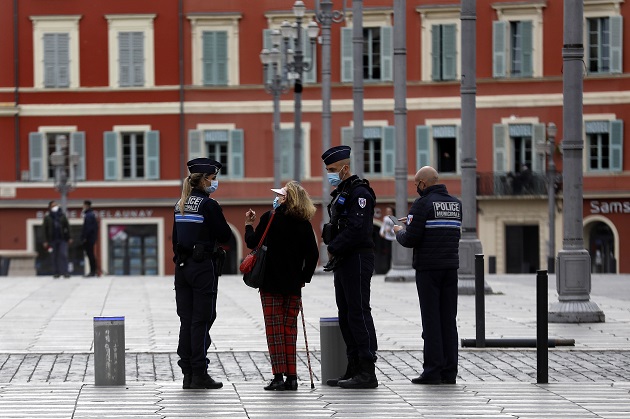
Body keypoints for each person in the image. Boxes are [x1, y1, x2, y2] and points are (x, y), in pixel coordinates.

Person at [244, 181, 319, 391]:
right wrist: (304, 278)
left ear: (287, 199)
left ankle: (278, 377)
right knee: (290, 330)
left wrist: (248, 224)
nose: (277, 199)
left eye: (280, 196)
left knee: (274, 330)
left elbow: (252, 243)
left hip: (270, 284)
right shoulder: (304, 223)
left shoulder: (271, 217)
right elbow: (313, 254)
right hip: (293, 285)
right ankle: (292, 377)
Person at [393, 166, 462, 385]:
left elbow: (410, 239)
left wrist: (398, 231)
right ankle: (449, 372)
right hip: (450, 268)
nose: (416, 188)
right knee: (448, 321)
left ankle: (432, 371)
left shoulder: (422, 204)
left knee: (431, 321)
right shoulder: (456, 204)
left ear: (424, 183)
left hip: (428, 270)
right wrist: (413, 221)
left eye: (417, 184)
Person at [321, 145, 379, 389]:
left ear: (345, 168)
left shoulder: (360, 192)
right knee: (345, 314)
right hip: (344, 259)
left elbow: (358, 229)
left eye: (333, 169)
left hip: (356, 256)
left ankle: (367, 369)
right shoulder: (342, 192)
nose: (330, 174)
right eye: (327, 170)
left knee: (358, 312)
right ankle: (353, 366)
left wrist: (334, 246)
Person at [172, 157, 231, 390]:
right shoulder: (208, 205)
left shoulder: (180, 203)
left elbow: (175, 239)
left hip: (182, 268)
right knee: (202, 319)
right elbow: (225, 235)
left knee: (186, 320)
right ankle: (199, 372)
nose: (215, 183)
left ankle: (187, 372)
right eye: (213, 178)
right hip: (202, 267)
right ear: (205, 179)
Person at [42, 200, 71, 278]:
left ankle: (65, 272)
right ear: (50, 207)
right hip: (52, 240)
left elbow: (67, 227)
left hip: (62, 239)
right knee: (54, 256)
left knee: (63, 255)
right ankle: (56, 272)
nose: (54, 207)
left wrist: (69, 237)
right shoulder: (47, 217)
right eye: (53, 206)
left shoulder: (62, 216)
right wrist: (45, 240)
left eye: (56, 205)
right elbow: (44, 229)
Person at [81, 200, 98, 277]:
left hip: (89, 238)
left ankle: (93, 271)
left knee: (90, 255)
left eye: (84, 205)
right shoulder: (91, 214)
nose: (83, 206)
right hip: (91, 238)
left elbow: (88, 228)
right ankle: (93, 271)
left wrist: (85, 237)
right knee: (91, 255)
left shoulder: (88, 215)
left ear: (87, 205)